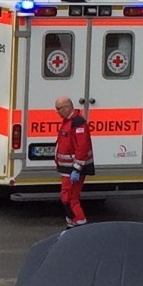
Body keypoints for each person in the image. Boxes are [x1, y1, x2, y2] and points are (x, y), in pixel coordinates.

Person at [54, 96, 95, 228]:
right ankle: (72, 223)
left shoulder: (78, 123)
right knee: (68, 198)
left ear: (67, 107)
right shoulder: (69, 121)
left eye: (59, 109)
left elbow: (82, 147)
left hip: (73, 169)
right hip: (68, 169)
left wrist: (77, 168)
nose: (57, 112)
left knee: (70, 199)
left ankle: (80, 225)